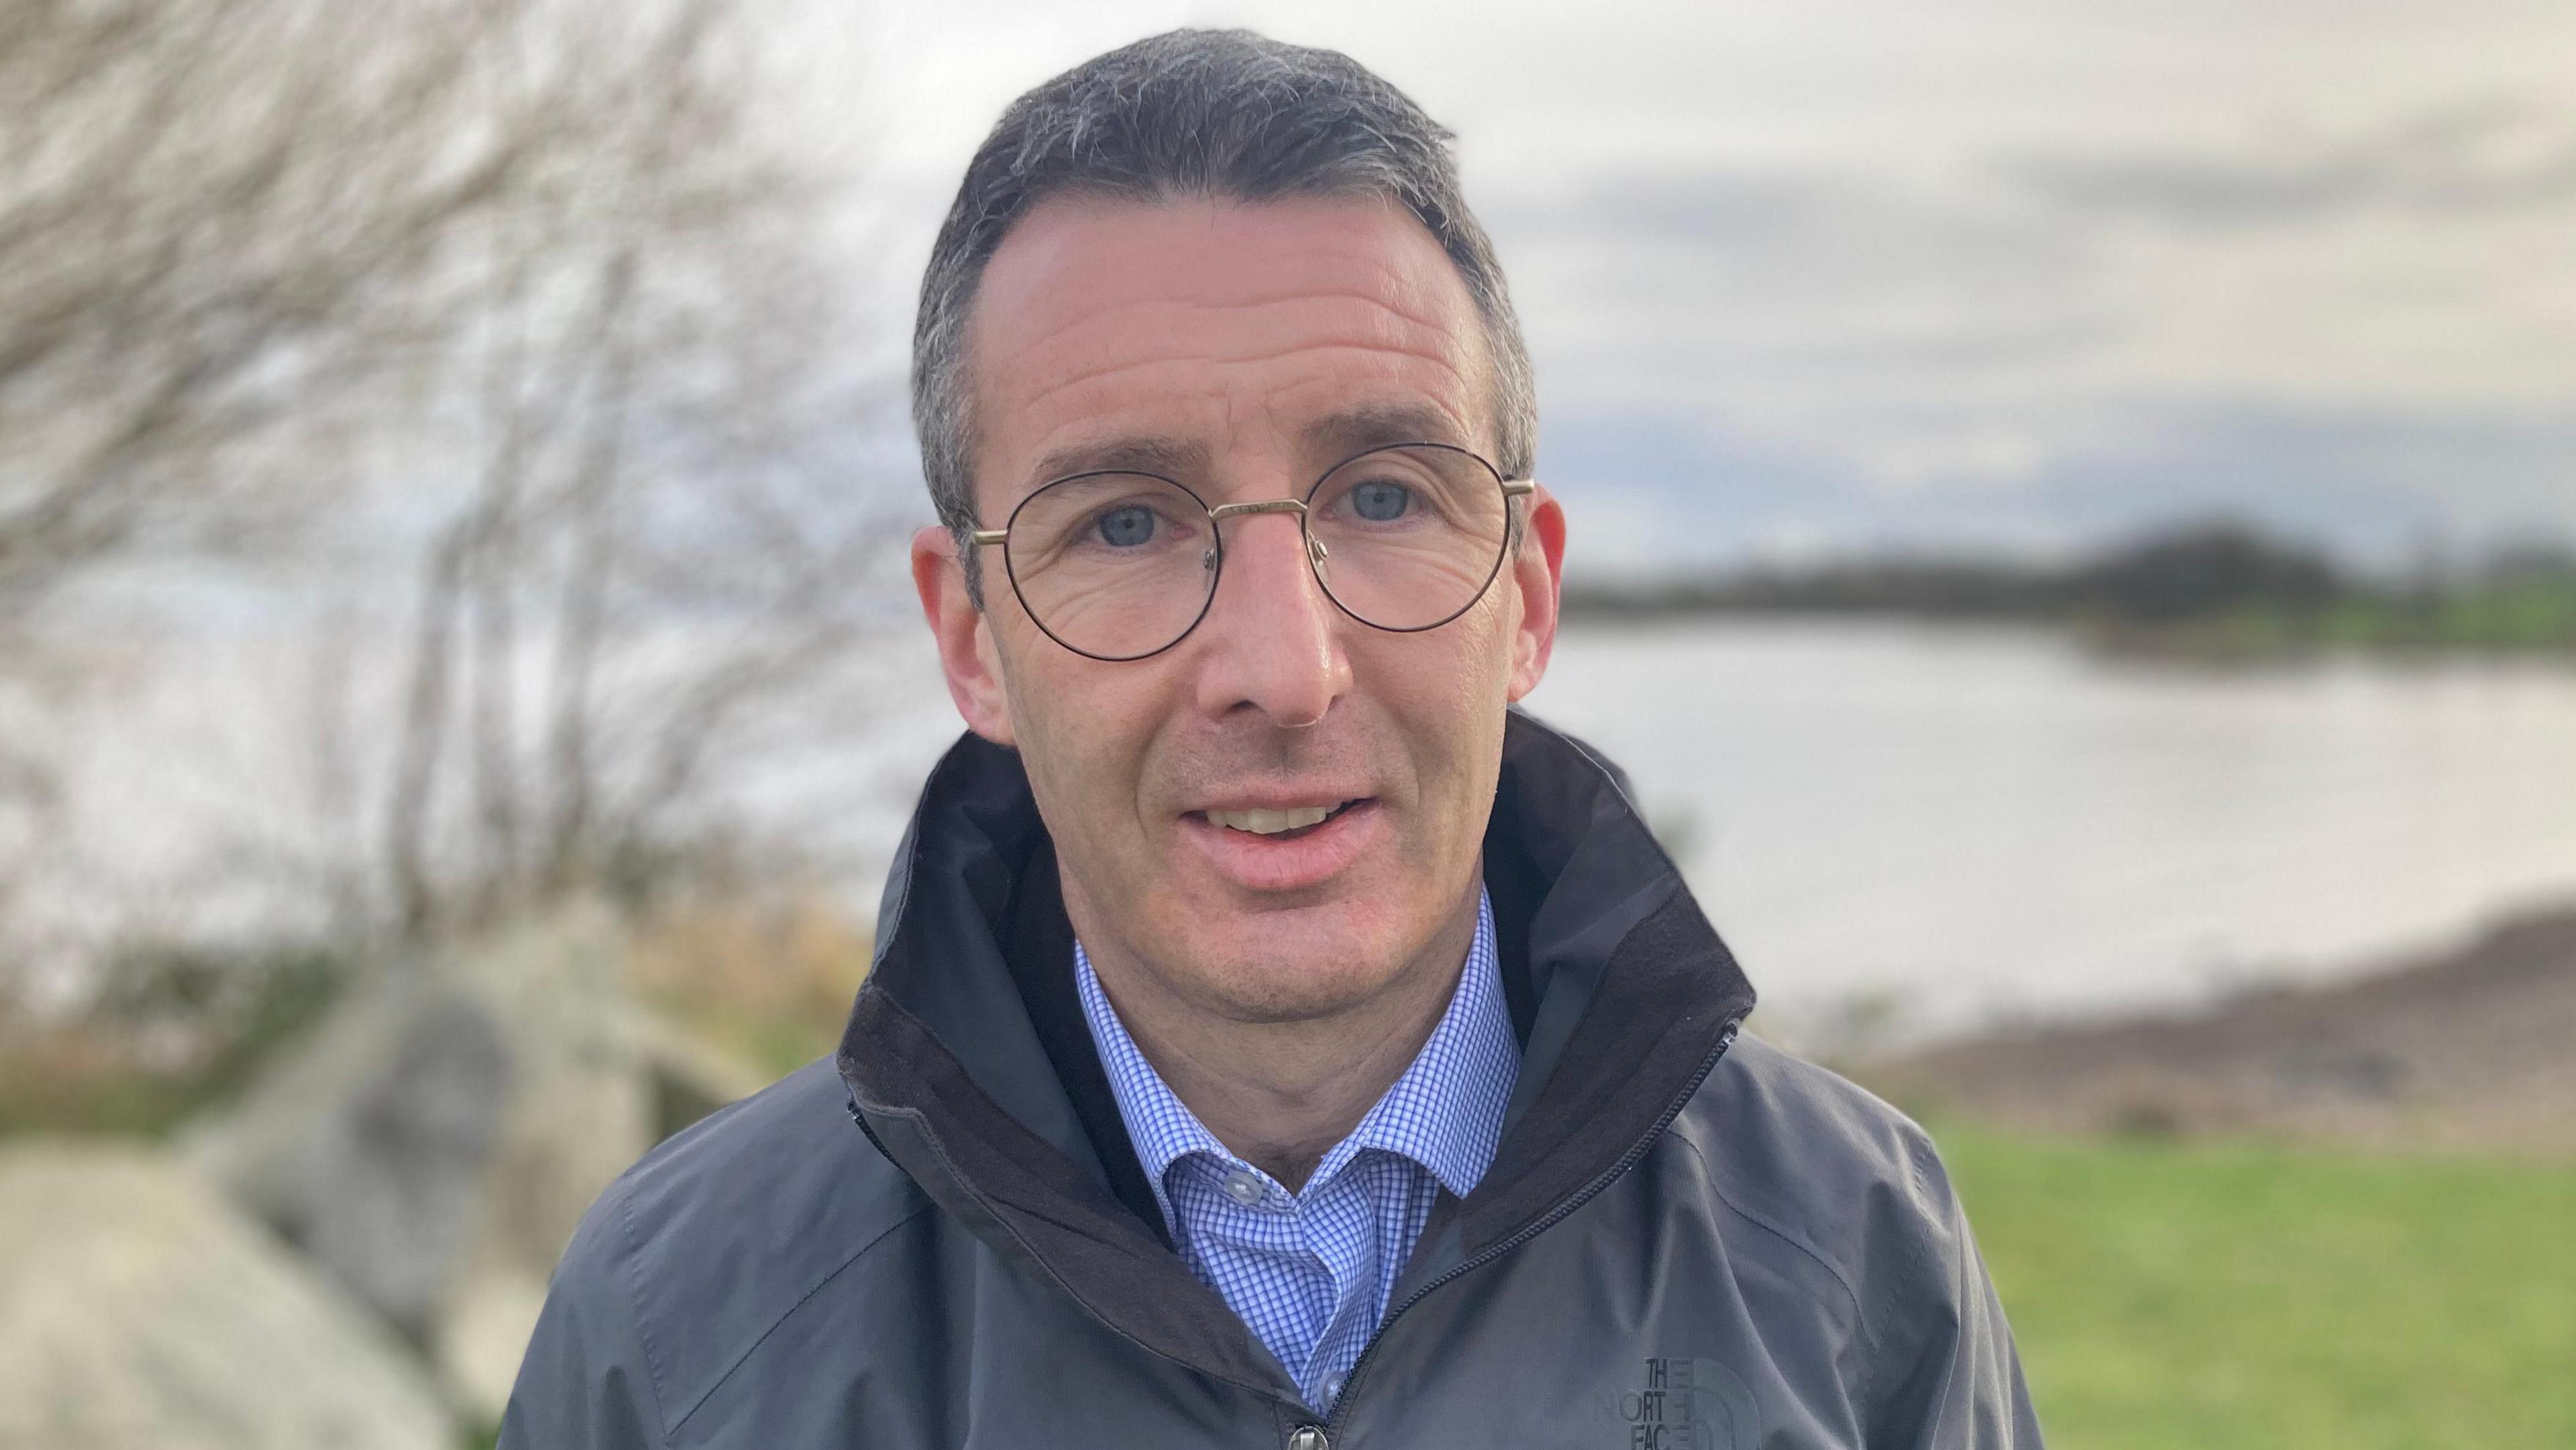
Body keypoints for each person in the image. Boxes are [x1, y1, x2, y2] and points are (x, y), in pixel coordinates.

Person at [501, 28, 2041, 1450]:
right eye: (1124, 520)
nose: (1283, 669)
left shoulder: (1853, 1253)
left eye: (1382, 496)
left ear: (1525, 591)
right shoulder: (678, 1328)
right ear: (971, 635)